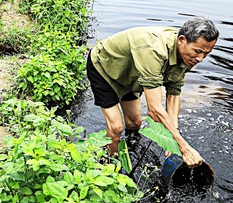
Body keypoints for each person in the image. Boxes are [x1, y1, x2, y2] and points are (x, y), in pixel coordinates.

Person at [86, 16, 219, 167]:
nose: (200, 59)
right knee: (116, 127)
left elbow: (173, 94)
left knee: (135, 123)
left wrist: (173, 136)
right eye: (198, 51)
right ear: (181, 40)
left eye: (206, 54)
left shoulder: (189, 55)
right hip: (105, 68)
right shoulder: (154, 51)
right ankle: (108, 168)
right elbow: (154, 110)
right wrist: (183, 146)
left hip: (133, 74)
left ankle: (130, 154)